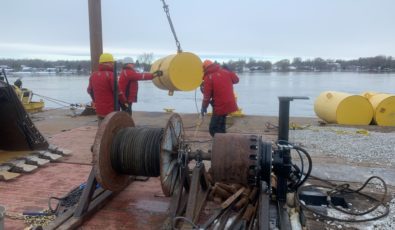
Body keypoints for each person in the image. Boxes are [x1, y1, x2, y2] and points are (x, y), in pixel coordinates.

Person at [201, 60, 239, 137]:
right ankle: (223, 142)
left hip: (220, 106)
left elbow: (207, 96)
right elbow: (236, 80)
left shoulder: (208, 77)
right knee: (221, 127)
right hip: (229, 104)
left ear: (205, 68)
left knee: (213, 129)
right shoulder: (226, 72)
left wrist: (204, 106)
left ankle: (220, 143)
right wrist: (230, 71)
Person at [87, 53, 126, 125]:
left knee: (101, 128)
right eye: (112, 63)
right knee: (112, 129)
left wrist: (95, 101)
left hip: (99, 110)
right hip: (111, 110)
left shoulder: (93, 75)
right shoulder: (111, 75)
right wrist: (124, 103)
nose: (113, 64)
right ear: (109, 63)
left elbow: (89, 90)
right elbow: (118, 92)